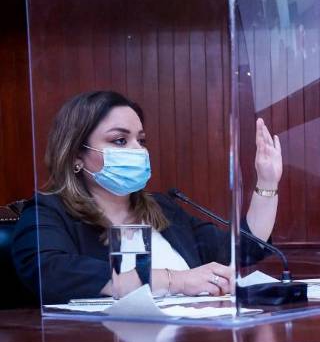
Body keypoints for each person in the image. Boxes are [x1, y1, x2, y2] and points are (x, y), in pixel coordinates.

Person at [13, 90, 283, 304]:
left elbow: (243, 248)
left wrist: (267, 181)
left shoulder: (162, 208)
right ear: (76, 156)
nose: (138, 150)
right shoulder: (48, 211)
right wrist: (175, 281)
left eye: (140, 141)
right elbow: (50, 273)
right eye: (120, 141)